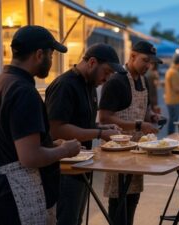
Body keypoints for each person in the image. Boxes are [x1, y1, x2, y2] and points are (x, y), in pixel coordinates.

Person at [0, 25, 81, 225]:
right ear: (39, 54)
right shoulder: (23, 91)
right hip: (20, 192)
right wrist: (65, 150)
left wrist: (51, 145)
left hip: (2, 191)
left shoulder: (1, 83)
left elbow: (12, 145)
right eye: (51, 54)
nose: (52, 60)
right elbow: (30, 157)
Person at [45, 43, 123, 225]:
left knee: (76, 220)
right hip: (64, 169)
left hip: (82, 163)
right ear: (92, 62)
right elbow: (56, 129)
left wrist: (103, 128)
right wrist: (98, 133)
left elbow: (80, 124)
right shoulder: (64, 85)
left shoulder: (89, 85)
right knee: (67, 220)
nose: (108, 77)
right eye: (107, 71)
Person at [99, 40, 162, 225]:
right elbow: (104, 118)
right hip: (117, 150)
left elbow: (145, 107)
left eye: (151, 62)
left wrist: (152, 116)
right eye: (145, 60)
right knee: (118, 200)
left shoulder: (144, 80)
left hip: (137, 150)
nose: (148, 66)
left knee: (133, 196)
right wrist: (137, 125)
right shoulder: (116, 81)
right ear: (132, 56)